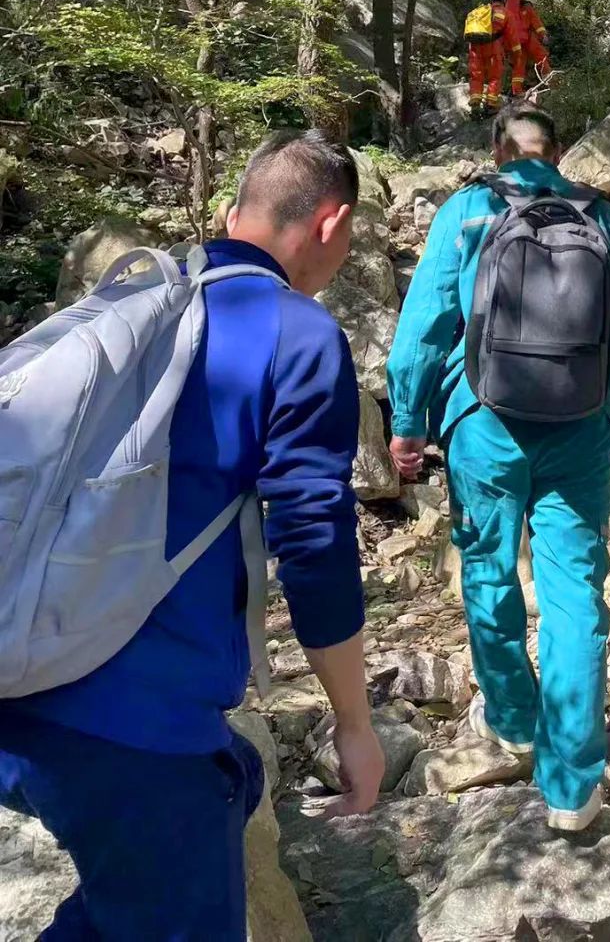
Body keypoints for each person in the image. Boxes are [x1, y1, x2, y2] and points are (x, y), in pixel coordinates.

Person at [0, 129, 384, 940]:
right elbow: (314, 540)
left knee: (233, 782)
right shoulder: (299, 333)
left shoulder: (124, 305)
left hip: (20, 658)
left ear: (231, 208)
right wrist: (354, 723)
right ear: (329, 224)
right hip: (132, 715)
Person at [386, 106, 610, 832]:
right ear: (560, 152)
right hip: (578, 428)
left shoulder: (468, 210)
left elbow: (422, 331)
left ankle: (513, 718)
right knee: (574, 594)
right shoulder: (602, 219)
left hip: (484, 423)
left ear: (496, 150)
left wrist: (409, 424)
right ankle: (573, 787)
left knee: (487, 567)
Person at [464, 0, 518, 116]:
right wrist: (516, 53)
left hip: (475, 48)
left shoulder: (480, 11)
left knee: (476, 76)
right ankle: (491, 105)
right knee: (495, 77)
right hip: (493, 48)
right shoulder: (506, 13)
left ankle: (475, 104)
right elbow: (512, 37)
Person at [500, 0, 551, 97]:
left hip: (512, 42)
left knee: (519, 65)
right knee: (540, 55)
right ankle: (550, 79)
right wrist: (543, 35)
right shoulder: (526, 7)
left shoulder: (500, 9)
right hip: (527, 39)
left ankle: (517, 91)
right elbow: (536, 23)